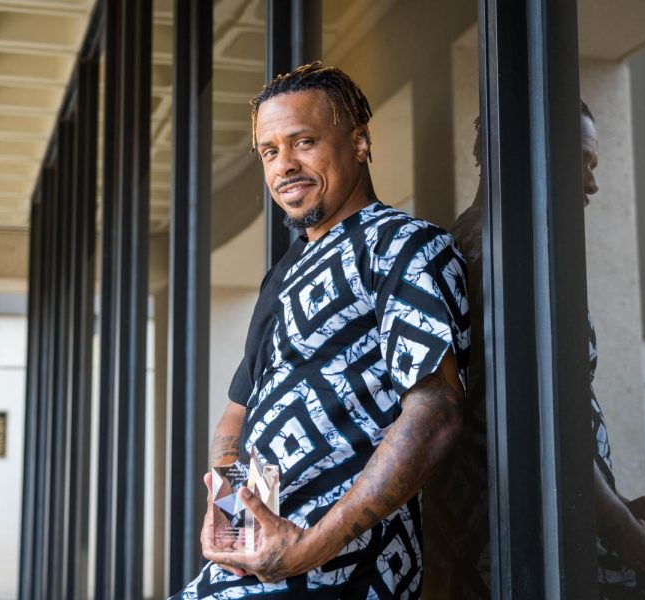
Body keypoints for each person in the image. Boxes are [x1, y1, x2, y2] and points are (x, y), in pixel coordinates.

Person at [170, 62, 470, 598]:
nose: (284, 165)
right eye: (268, 151)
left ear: (359, 143)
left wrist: (308, 549)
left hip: (345, 568)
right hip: (258, 565)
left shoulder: (404, 245)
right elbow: (237, 413)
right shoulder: (283, 273)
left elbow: (436, 411)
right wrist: (231, 519)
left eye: (303, 142)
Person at [439, 103, 645, 599]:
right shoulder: (507, 259)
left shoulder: (477, 241)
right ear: (522, 155)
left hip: (537, 523)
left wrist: (608, 509)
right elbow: (550, 435)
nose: (592, 185)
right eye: (582, 163)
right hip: (532, 545)